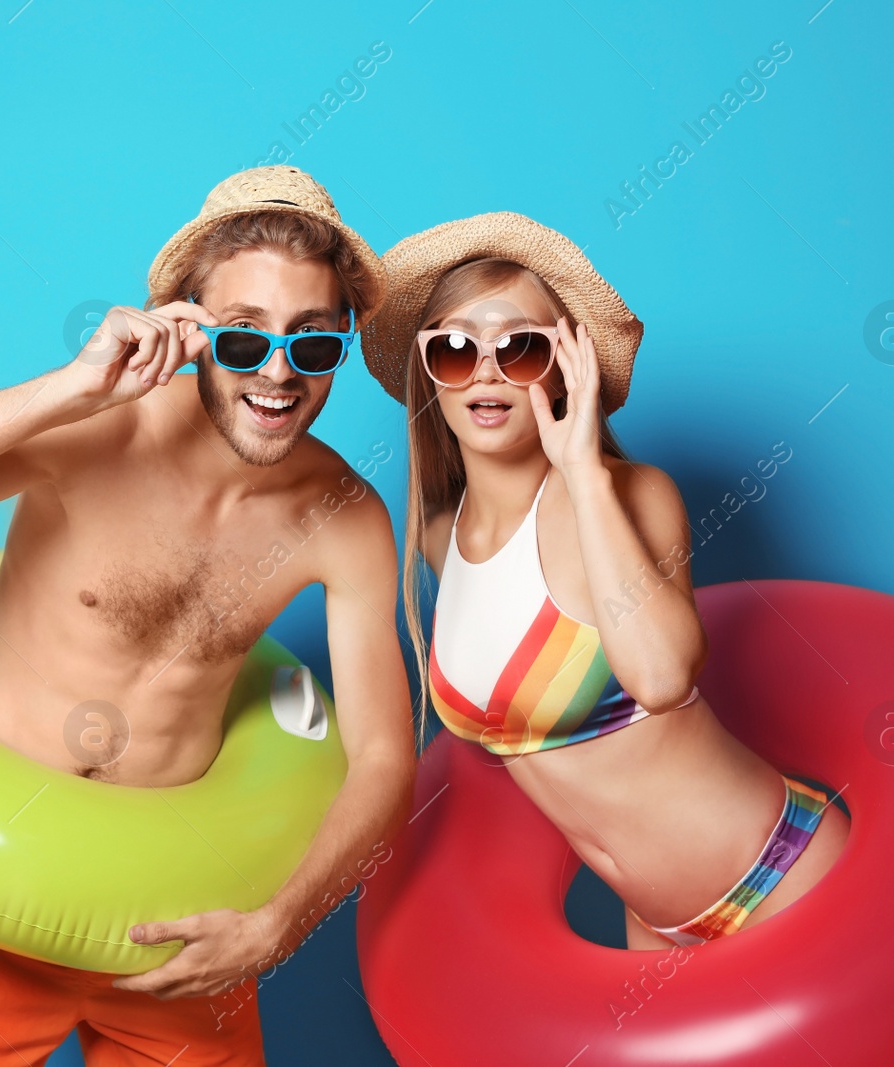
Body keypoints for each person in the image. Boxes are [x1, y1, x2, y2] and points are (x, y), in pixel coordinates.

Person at [0, 166, 415, 1065]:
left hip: (174, 931)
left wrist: (275, 924)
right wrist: (72, 387)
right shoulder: (93, 435)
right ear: (188, 324)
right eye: (242, 339)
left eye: (314, 345)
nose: (279, 373)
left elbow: (387, 760)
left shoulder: (345, 518)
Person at [361, 212, 848, 951]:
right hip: (651, 922)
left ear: (563, 366)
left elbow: (659, 677)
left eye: (520, 348)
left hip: (778, 872)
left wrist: (582, 471)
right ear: (428, 371)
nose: (486, 371)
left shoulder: (632, 493)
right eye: (456, 348)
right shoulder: (439, 542)